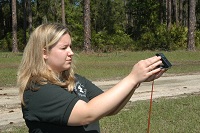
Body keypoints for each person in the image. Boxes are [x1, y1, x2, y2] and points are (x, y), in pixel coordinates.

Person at [17, 23, 166, 133]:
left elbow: (111, 108)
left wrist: (136, 82)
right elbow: (87, 114)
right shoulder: (37, 89)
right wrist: (132, 77)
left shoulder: (75, 80)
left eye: (70, 46)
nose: (71, 52)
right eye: (64, 48)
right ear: (44, 52)